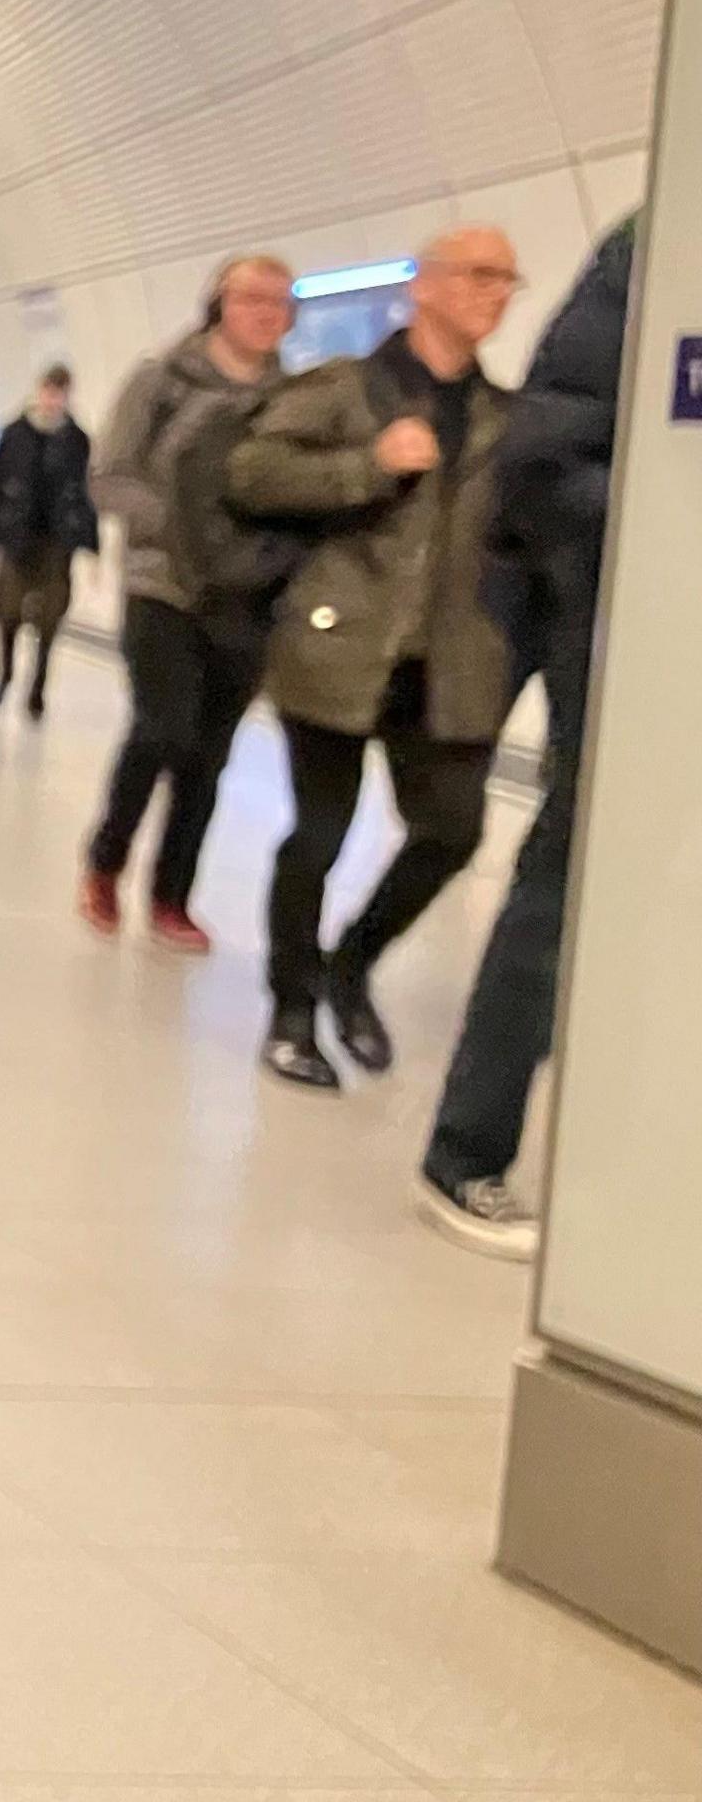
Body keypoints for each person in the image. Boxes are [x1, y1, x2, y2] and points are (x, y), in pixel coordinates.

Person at [232, 227, 523, 1093]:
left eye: (508, 279)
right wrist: (368, 465)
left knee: (453, 830)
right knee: (319, 834)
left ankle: (350, 963)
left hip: (444, 665)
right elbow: (252, 473)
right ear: (424, 287)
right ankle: (290, 1011)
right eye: (478, 274)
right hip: (336, 643)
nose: (496, 292)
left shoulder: (505, 419)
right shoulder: (346, 391)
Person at [422, 213, 631, 1255]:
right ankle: (467, 1151)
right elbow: (548, 463)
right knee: (569, 882)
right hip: (631, 634)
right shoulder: (659, 249)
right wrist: (668, 512)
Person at [80, 255, 298, 953]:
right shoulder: (161, 381)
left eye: (281, 302)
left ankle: (173, 895)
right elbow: (110, 478)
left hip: (245, 597)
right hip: (163, 585)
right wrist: (176, 528)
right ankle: (106, 859)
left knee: (210, 753)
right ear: (218, 305)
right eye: (252, 298)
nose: (267, 313)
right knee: (162, 728)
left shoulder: (293, 399)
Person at [0, 366, 97, 720]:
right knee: (7, 611)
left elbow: (87, 492)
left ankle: (37, 688)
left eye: (60, 392)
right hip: (17, 537)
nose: (53, 398)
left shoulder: (77, 440)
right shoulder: (14, 433)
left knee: (50, 617)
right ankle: (6, 672)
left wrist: (91, 542)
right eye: (49, 390)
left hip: (57, 541)